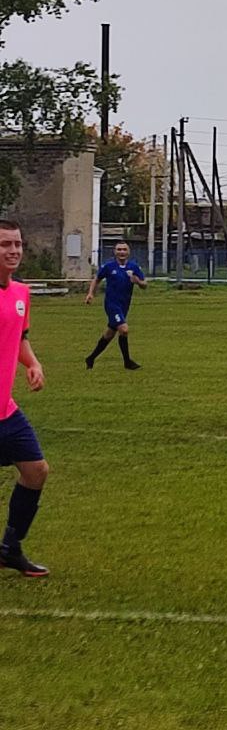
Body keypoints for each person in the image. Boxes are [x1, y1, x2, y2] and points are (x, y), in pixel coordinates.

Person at [0, 221, 49, 577]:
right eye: (4, 245)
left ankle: (10, 548)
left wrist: (32, 363)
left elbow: (20, 337)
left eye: (17, 244)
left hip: (6, 409)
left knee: (35, 471)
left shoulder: (21, 293)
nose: (13, 251)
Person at [84, 241, 146, 370]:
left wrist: (138, 281)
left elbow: (144, 285)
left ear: (128, 252)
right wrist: (90, 294)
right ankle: (127, 362)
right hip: (112, 304)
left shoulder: (134, 267)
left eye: (124, 249)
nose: (121, 252)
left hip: (124, 305)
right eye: (119, 249)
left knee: (109, 334)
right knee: (124, 329)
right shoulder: (109, 266)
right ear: (115, 251)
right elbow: (97, 279)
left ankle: (91, 358)